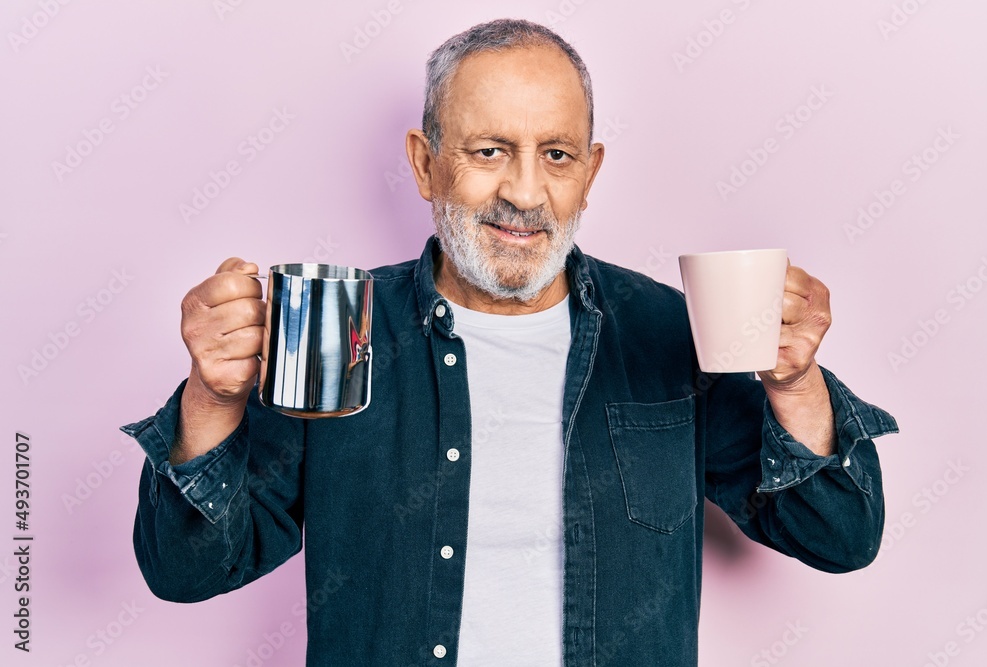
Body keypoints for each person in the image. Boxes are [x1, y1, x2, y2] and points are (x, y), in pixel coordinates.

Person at [124, 18, 897, 667]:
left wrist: (796, 386)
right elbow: (187, 569)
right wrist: (213, 397)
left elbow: (840, 535)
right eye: (489, 150)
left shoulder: (668, 331)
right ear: (426, 165)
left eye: (555, 154)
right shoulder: (340, 327)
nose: (525, 193)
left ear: (589, 173)